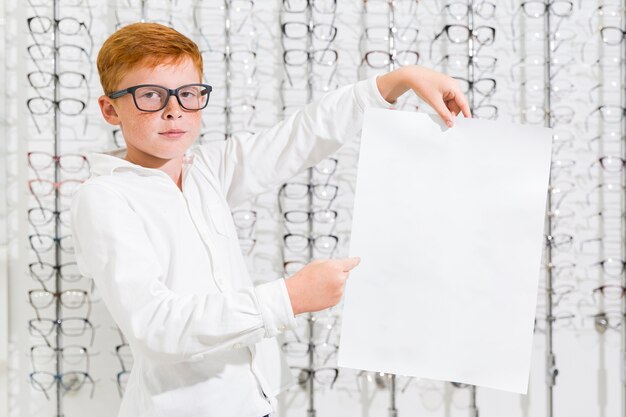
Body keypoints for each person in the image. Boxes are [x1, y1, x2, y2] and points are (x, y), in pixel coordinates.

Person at [70, 22, 470, 417]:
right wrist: (289, 298)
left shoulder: (206, 169)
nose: (174, 110)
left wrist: (398, 80)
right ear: (110, 109)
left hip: (253, 403)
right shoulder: (105, 199)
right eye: (151, 96)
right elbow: (156, 327)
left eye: (188, 94)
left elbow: (300, 137)